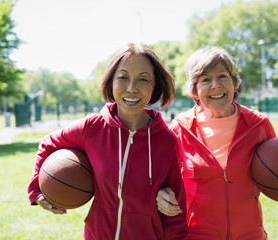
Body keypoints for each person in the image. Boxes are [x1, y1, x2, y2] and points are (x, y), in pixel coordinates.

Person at [27, 43, 188, 239]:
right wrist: (37, 189)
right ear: (111, 82)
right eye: (123, 77)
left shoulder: (167, 141)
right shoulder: (92, 127)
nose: (131, 88)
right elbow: (48, 143)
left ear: (155, 86)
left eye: (143, 79)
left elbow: (176, 212)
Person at [156, 45, 278, 240]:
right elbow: (159, 179)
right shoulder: (181, 128)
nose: (216, 85)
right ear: (195, 90)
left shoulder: (258, 124)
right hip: (196, 235)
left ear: (234, 82)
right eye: (205, 80)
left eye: (222, 76)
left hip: (250, 234)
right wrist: (160, 194)